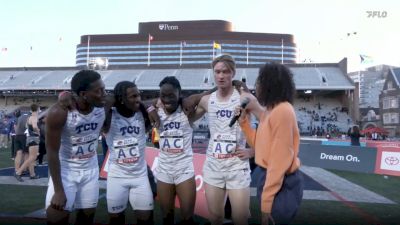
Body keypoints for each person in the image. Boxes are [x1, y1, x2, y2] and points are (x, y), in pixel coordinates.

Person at [192, 54, 255, 225]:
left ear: (233, 73)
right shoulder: (207, 100)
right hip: (213, 165)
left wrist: (253, 151)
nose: (221, 76)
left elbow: (268, 124)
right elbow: (188, 120)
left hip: (237, 166)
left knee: (240, 219)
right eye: (217, 72)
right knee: (215, 218)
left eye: (225, 72)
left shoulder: (245, 98)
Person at [237, 63, 303, 225]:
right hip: (268, 177)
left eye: (260, 81)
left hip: (282, 182)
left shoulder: (283, 111)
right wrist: (244, 122)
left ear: (270, 85)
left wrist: (266, 203)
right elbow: (260, 146)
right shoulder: (270, 111)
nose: (256, 86)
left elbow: (279, 161)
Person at [45, 70, 106, 225]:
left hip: (90, 171)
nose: (104, 94)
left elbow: (133, 100)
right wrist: (58, 190)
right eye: (99, 91)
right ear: (84, 94)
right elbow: (51, 152)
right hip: (66, 172)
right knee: (56, 219)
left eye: (104, 89)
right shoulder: (59, 112)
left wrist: (153, 108)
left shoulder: (104, 104)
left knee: (86, 220)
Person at [154, 76, 216, 225]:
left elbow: (206, 96)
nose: (167, 99)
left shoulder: (187, 113)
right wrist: (151, 107)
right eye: (163, 95)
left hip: (184, 171)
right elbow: (135, 105)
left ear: (179, 94)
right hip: (163, 171)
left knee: (187, 218)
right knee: (166, 218)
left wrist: (192, 98)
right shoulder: (156, 112)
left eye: (171, 95)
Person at [104, 81, 154, 225]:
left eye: (138, 95)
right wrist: (111, 99)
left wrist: (148, 107)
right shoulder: (109, 116)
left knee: (146, 219)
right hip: (117, 177)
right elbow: (101, 112)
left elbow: (160, 100)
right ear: (121, 99)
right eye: (133, 96)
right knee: (116, 220)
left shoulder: (142, 113)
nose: (138, 99)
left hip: (140, 176)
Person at [15, 104, 41, 180]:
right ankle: (18, 172)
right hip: (34, 138)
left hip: (29, 138)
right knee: (32, 157)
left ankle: (32, 175)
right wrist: (38, 132)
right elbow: (35, 126)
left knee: (32, 157)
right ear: (37, 109)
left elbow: (27, 127)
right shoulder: (34, 117)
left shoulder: (29, 117)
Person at [13, 110, 30, 182]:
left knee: (18, 153)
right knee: (26, 154)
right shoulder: (28, 117)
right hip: (24, 136)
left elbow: (15, 129)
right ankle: (23, 169)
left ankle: (16, 170)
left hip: (17, 136)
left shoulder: (18, 118)